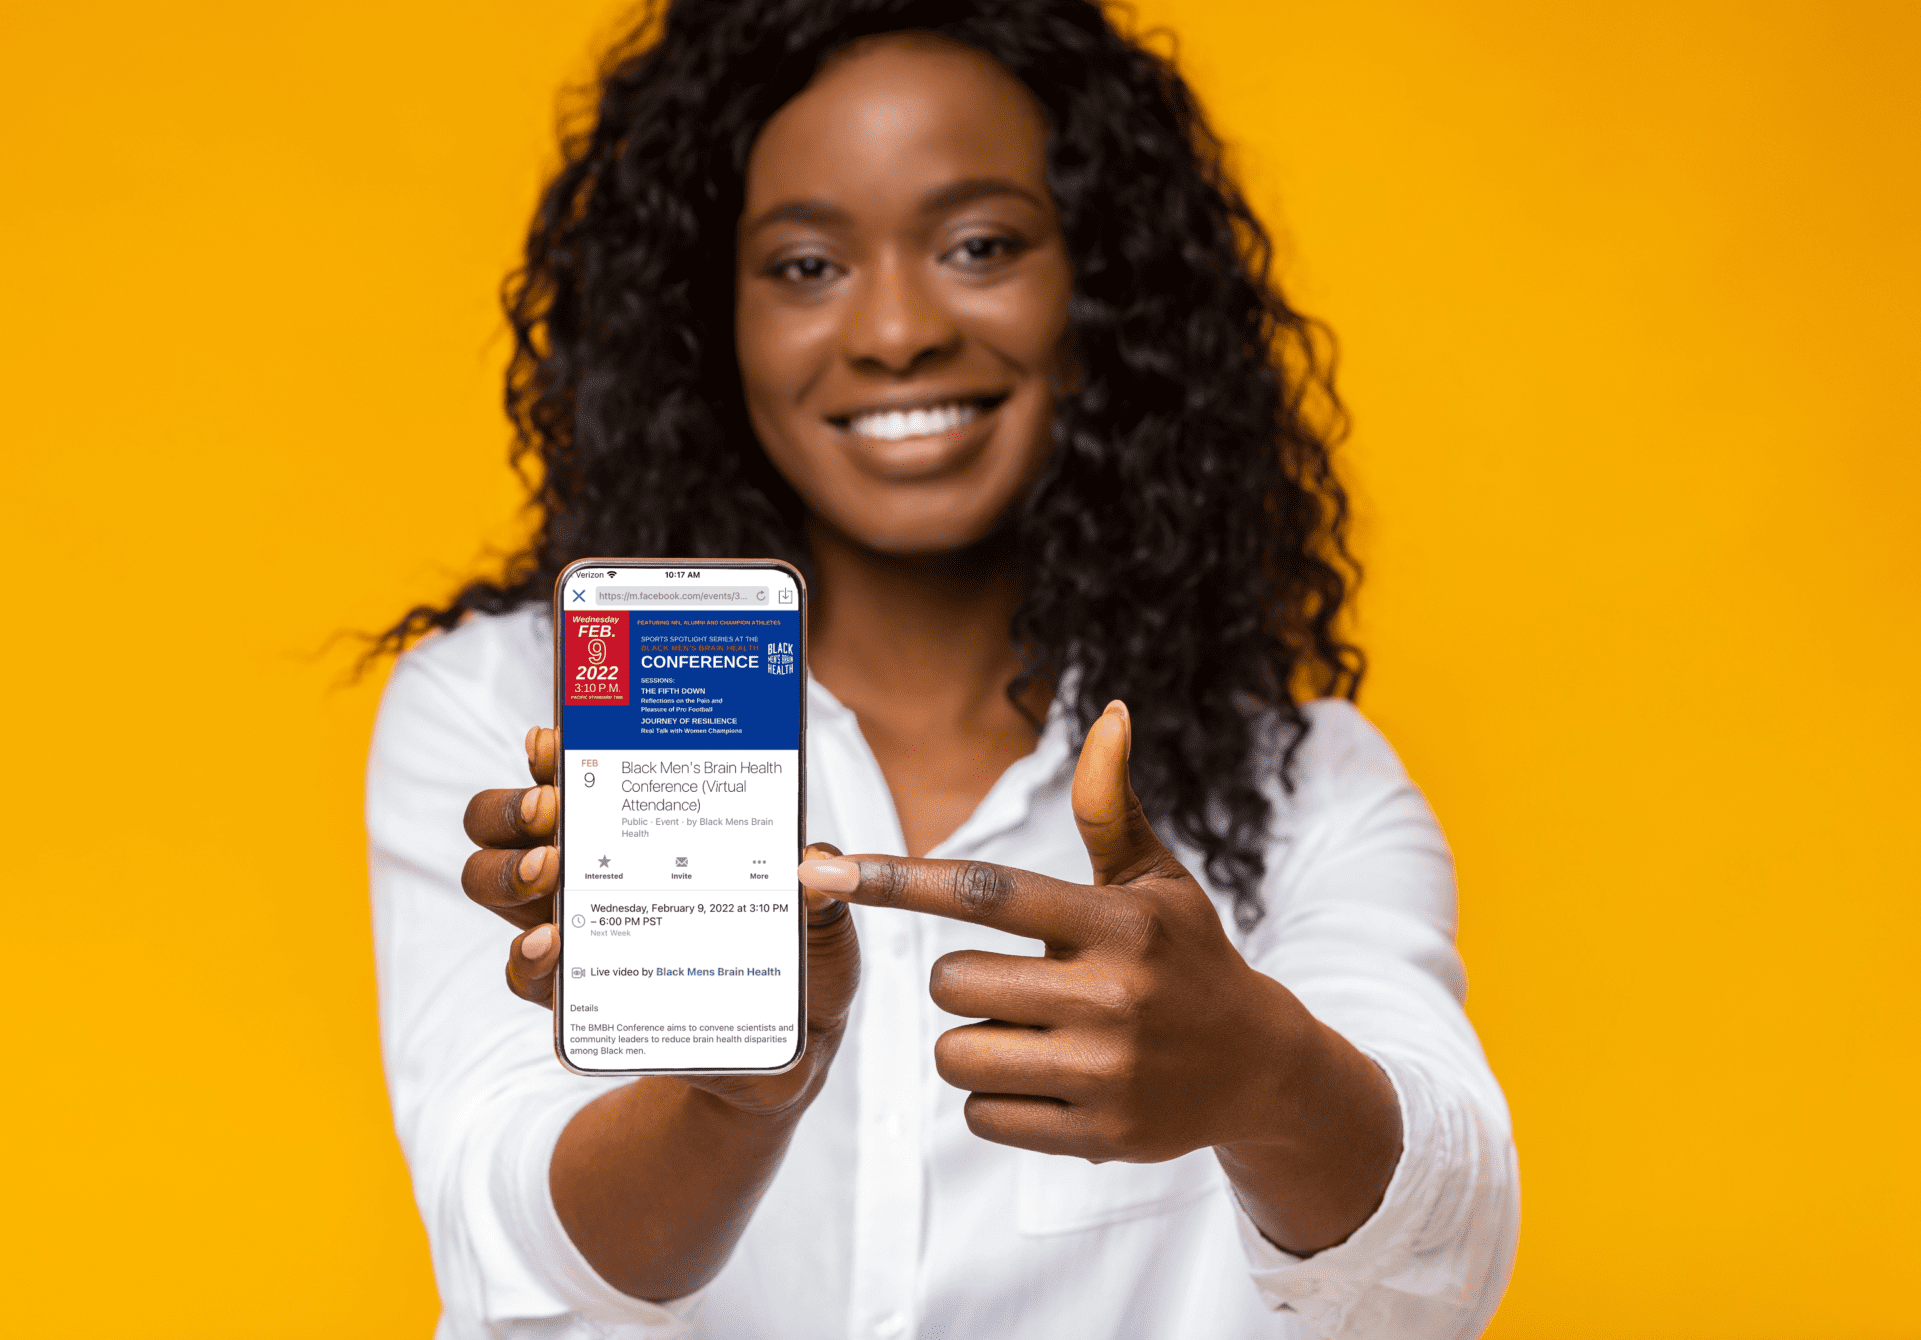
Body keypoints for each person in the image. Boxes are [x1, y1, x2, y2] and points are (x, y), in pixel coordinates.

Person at [366, 1, 1519, 1335]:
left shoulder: (1305, 790)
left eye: (980, 244)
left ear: (1101, 285)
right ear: (707, 314)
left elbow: (1442, 1265)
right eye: (805, 266)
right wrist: (742, 1092)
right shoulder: (512, 708)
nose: (898, 329)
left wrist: (1265, 1078)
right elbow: (511, 1251)